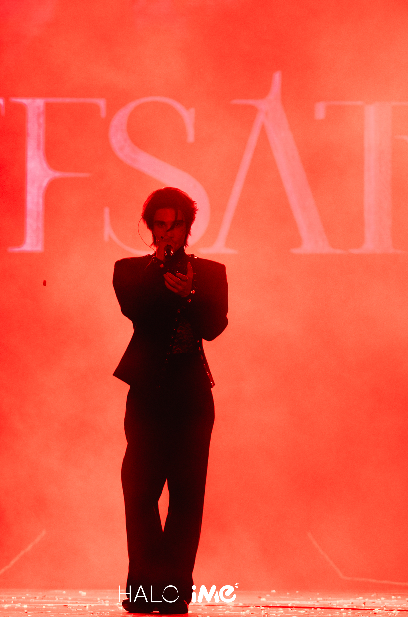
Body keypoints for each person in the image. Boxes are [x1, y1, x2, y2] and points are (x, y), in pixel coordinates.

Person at [113, 188, 229, 614]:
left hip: (191, 398)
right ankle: (146, 586)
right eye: (160, 225)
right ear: (150, 228)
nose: (167, 233)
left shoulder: (211, 273)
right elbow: (135, 309)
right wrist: (159, 271)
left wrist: (190, 296)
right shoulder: (129, 270)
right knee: (138, 489)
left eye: (175, 225)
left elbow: (215, 327)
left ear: (187, 228)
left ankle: (173, 590)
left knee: (186, 494)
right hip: (147, 395)